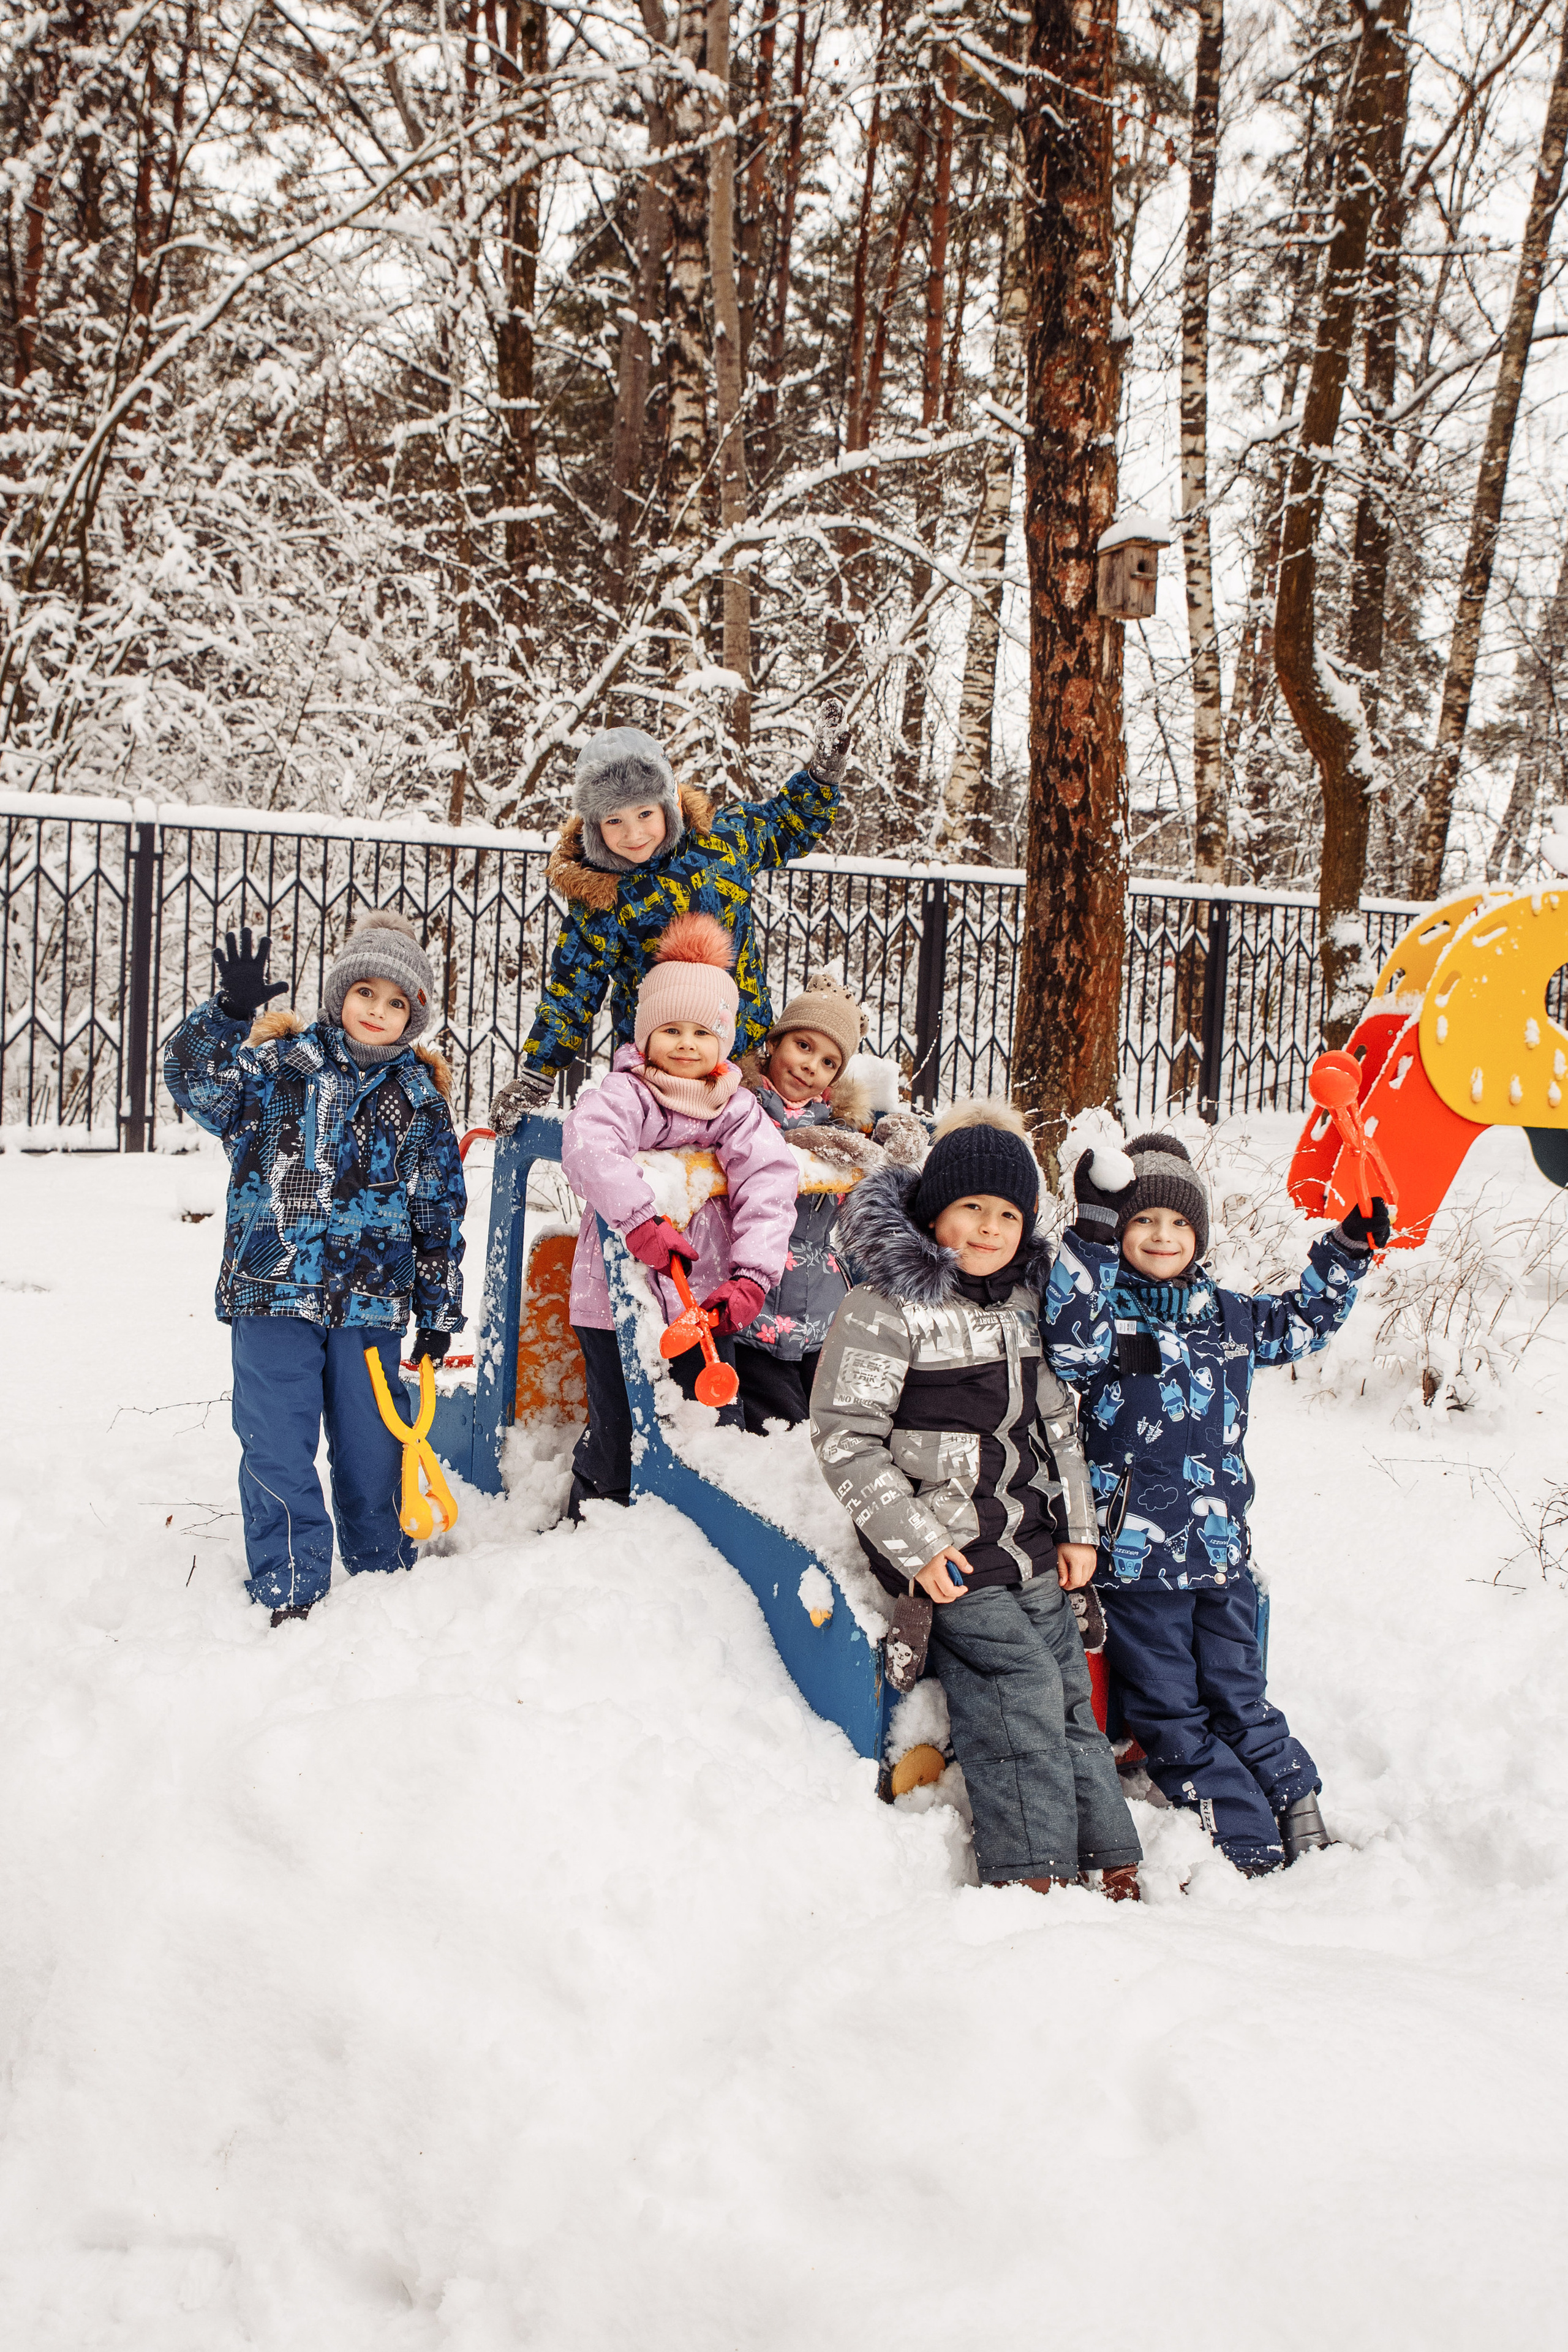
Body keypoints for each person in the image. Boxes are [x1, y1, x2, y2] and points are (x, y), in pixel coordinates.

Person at [810, 1101, 1143, 1899]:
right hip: (949, 1548)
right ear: (934, 1213)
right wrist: (917, 1546)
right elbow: (847, 1437)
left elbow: (1057, 1425)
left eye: (1007, 1214)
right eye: (972, 1209)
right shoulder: (886, 1309)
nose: (990, 1228)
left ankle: (1112, 1854)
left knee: (1067, 1688)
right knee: (1018, 1687)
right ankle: (1033, 1871)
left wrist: (1080, 1533)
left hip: (1028, 1539)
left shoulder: (1027, 1307)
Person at [1042, 1132, 1386, 1875]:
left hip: (1221, 1554)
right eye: (1141, 1222)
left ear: (1197, 1234)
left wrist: (1346, 1251)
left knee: (1241, 1695)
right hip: (1135, 1564)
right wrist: (1093, 1235)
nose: (1161, 1236)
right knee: (1171, 1714)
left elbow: (1303, 1322)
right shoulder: (1105, 1322)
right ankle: (1247, 1840)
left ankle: (1298, 1811)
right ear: (1121, 1231)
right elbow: (1066, 1345)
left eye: (1176, 1224)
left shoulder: (1228, 1317)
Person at [164, 911, 466, 1626]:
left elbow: (437, 1215)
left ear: (413, 1019)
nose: (379, 1013)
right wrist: (230, 1016)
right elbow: (195, 1083)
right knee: (276, 1444)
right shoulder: (278, 1071)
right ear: (339, 995)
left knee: (371, 1450)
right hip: (273, 1289)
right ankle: (291, 1580)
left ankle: (381, 1570)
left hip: (371, 1303)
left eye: (398, 1004)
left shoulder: (421, 1103)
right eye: (367, 993)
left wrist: (437, 1313)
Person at [488, 707, 852, 1130]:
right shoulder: (604, 896)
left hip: (744, 1053)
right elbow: (573, 991)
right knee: (672, 1177)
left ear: (670, 804)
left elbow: (784, 826)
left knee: (748, 1161)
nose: (633, 833)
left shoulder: (723, 844)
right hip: (662, 1070)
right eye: (614, 821)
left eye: (645, 813)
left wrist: (822, 778)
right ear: (594, 827)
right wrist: (537, 1075)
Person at [560, 911, 799, 1516]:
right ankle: (590, 1522)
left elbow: (769, 1179)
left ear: (722, 1042)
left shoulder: (736, 1108)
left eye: (702, 1031)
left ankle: (688, 1527)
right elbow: (589, 1144)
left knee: (706, 1420)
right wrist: (639, 1219)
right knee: (618, 1423)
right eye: (671, 1029)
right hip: (619, 1296)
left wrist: (752, 1277)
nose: (686, 1044)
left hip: (705, 1298)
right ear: (645, 1036)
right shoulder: (626, 1093)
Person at [733, 970, 886, 1433]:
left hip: (818, 1310)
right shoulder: (742, 1107)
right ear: (774, 1045)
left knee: (821, 1429)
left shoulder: (839, 1128)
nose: (809, 1066)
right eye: (803, 1046)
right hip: (756, 1306)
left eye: (827, 1063)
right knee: (777, 1431)